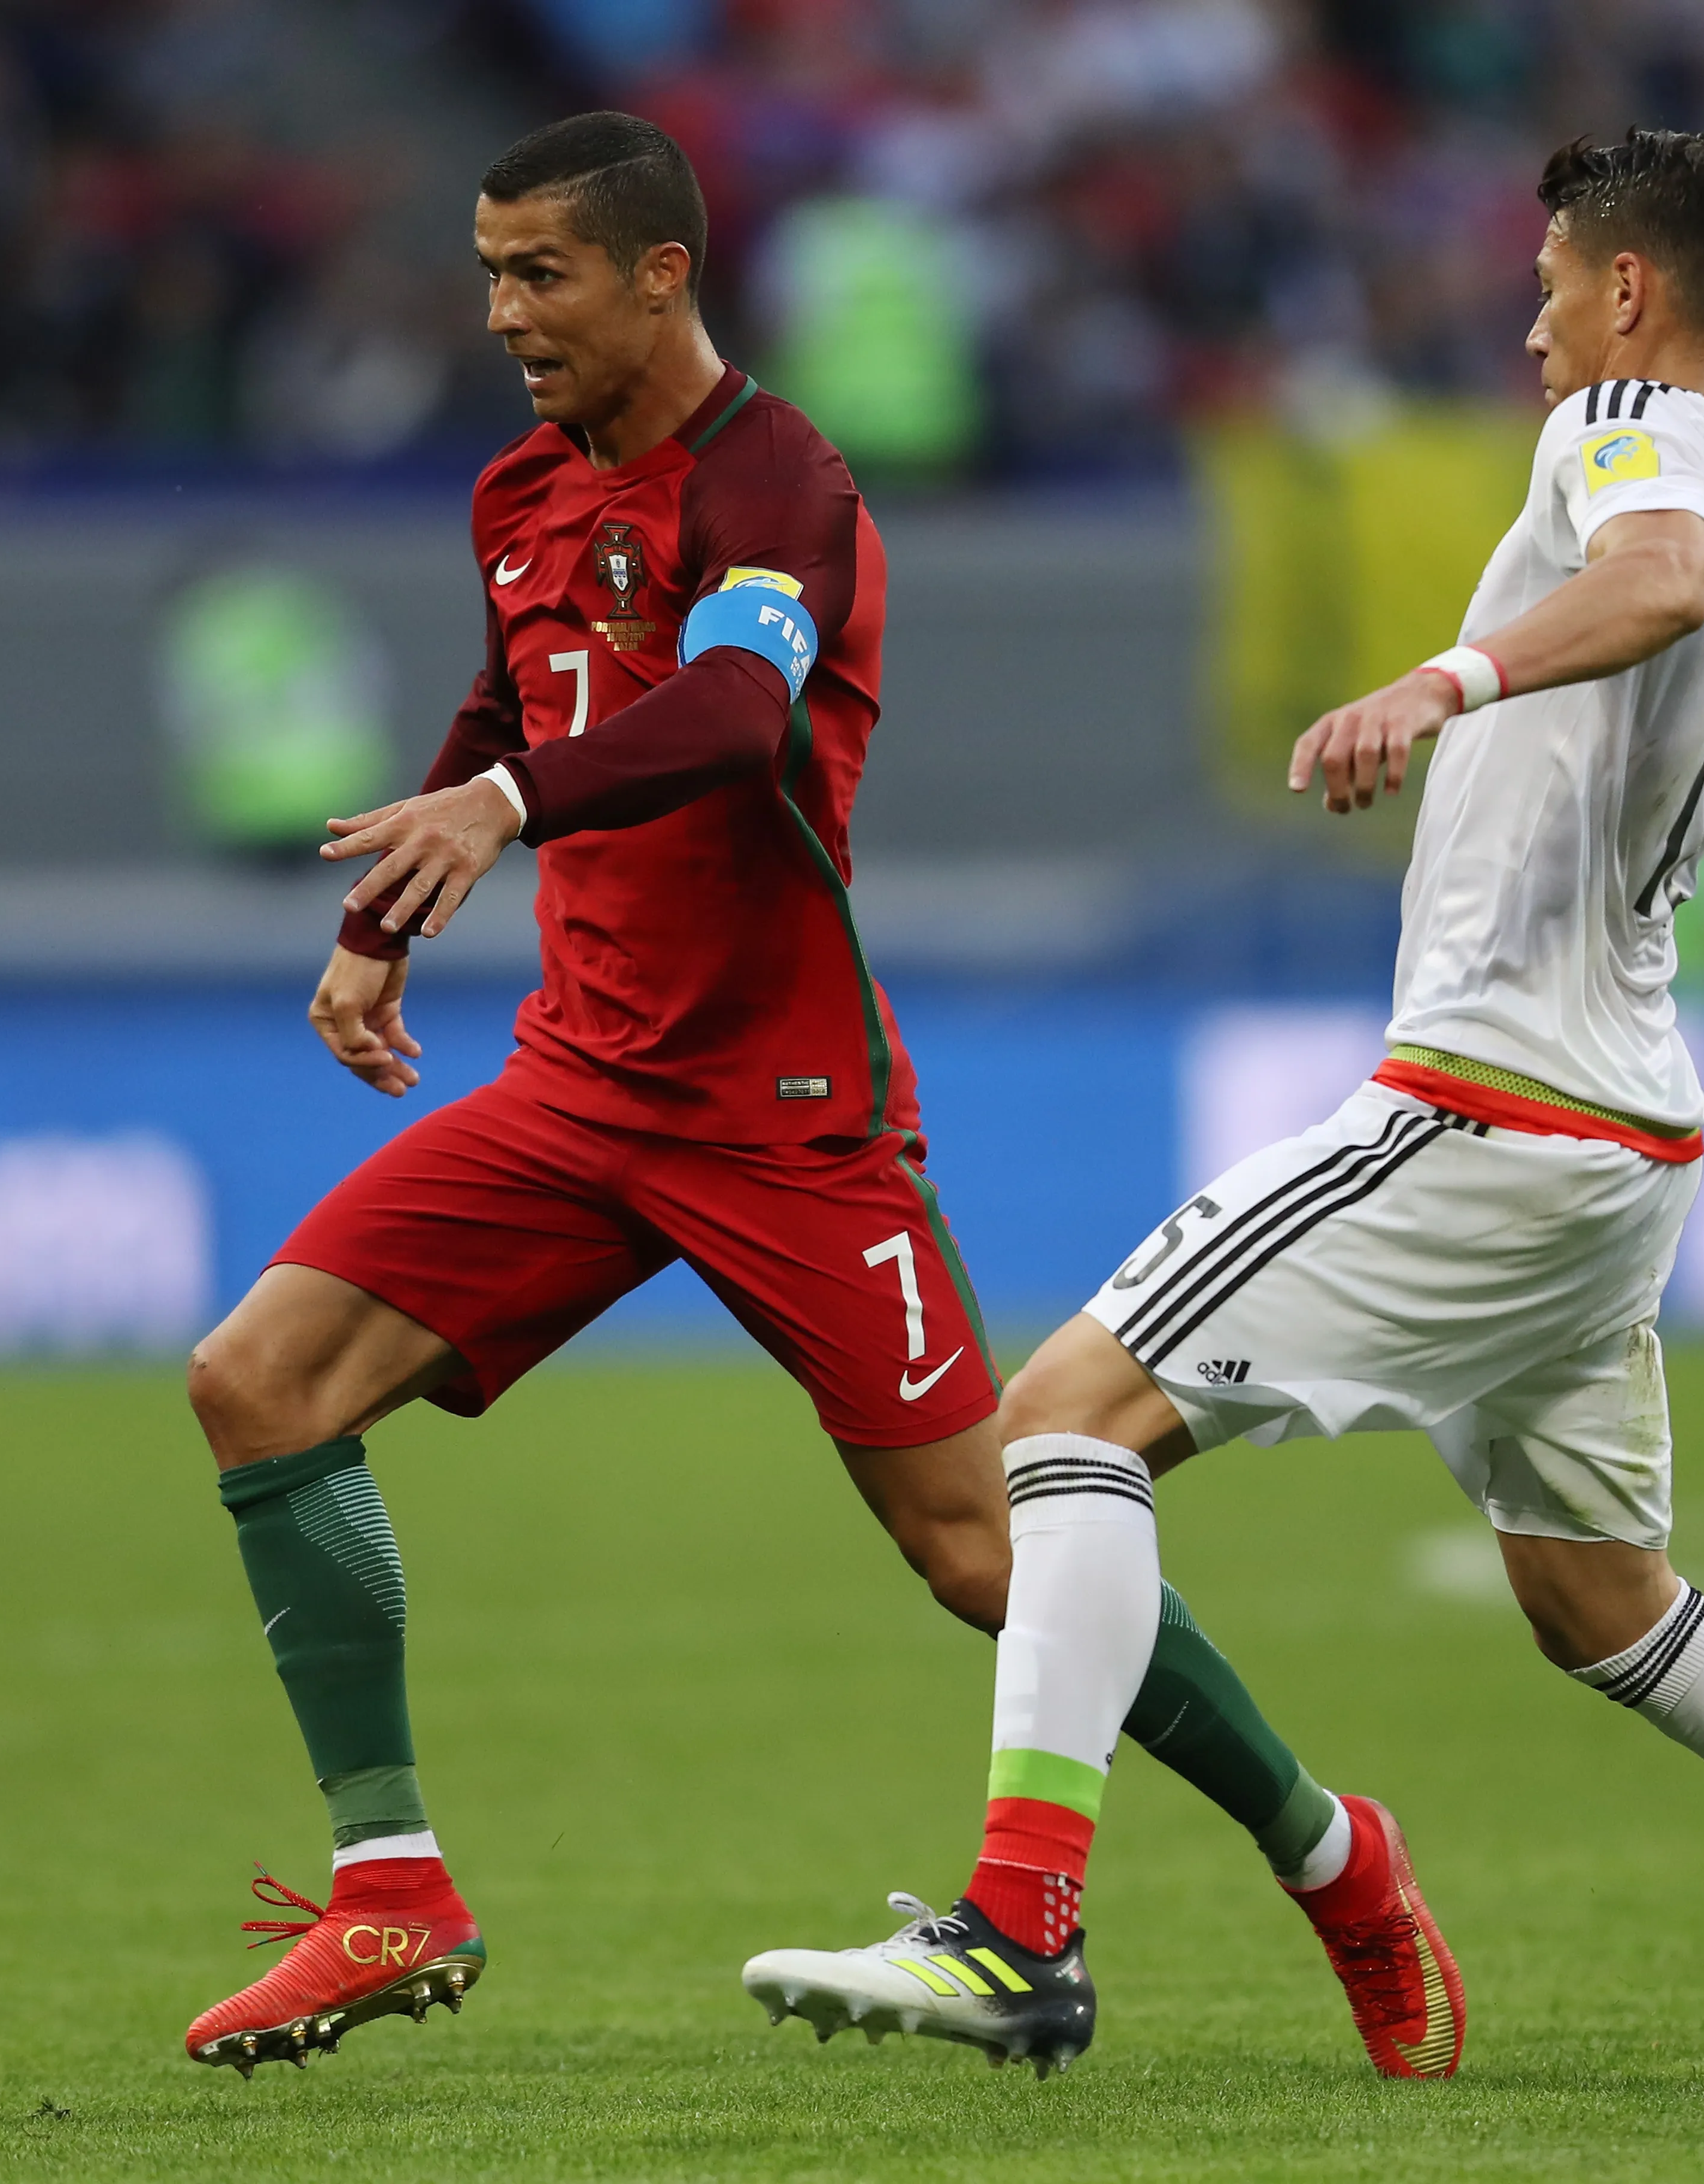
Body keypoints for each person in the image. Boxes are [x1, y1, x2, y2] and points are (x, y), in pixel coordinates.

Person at [748, 129, 1704, 2104]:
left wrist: (1443, 679)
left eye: (1555, 284)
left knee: (1061, 1423)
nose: (1533, 325)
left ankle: (1017, 1927)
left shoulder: (1636, 436)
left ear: (1637, 296)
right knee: (1604, 1604)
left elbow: (1656, 585)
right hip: (1627, 1148)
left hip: (1490, 1103)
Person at [174, 111, 1444, 2080]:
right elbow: (521, 695)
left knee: (988, 1555)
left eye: (542, 275)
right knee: (257, 1383)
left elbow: (729, 715)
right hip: (579, 1088)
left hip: (782, 1112)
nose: (503, 313)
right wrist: (387, 914)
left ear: (661, 273)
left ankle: (1335, 1853)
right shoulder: (521, 484)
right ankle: (391, 1886)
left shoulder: (782, 484)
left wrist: (498, 809)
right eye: (490, 272)